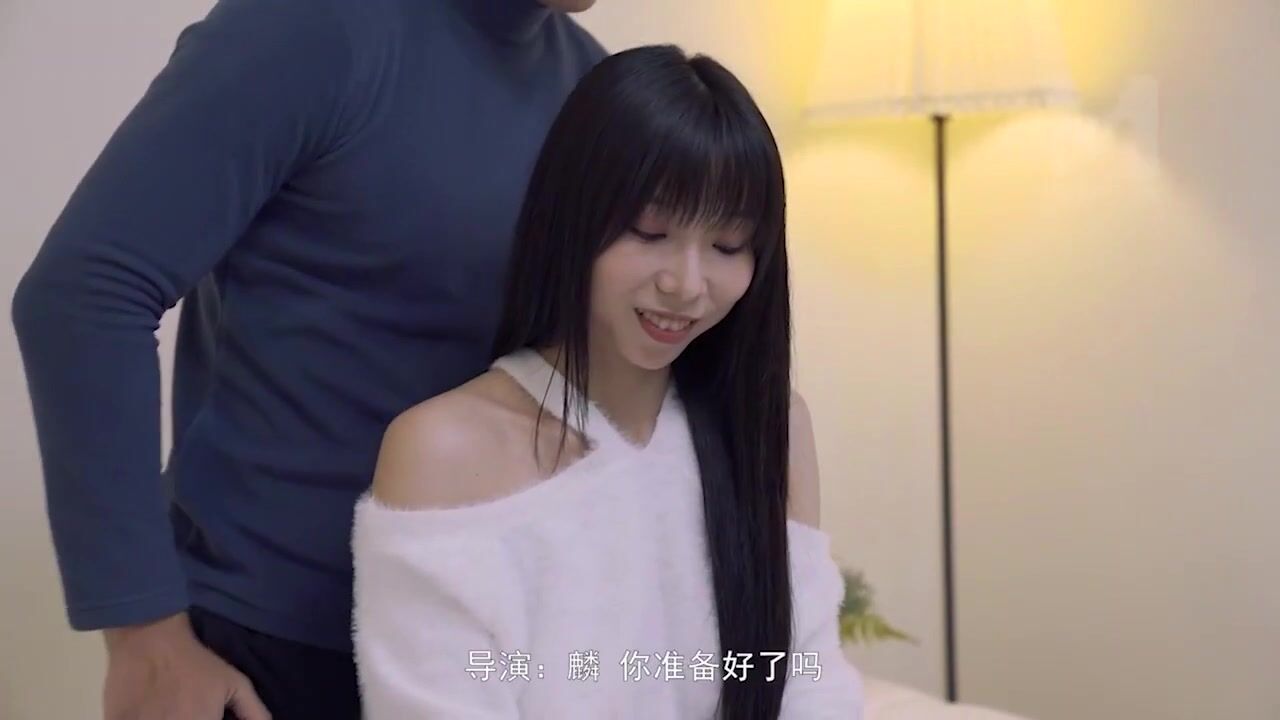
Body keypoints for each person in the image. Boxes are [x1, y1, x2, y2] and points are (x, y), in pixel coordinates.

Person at [10, 0, 604, 718]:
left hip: (469, 650)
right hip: (266, 649)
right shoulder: (312, 25)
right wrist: (144, 635)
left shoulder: (593, 89)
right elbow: (86, 292)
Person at [353, 44, 865, 719]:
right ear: (572, 217)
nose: (686, 283)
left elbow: (808, 683)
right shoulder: (441, 450)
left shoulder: (769, 425)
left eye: (727, 246)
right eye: (650, 232)